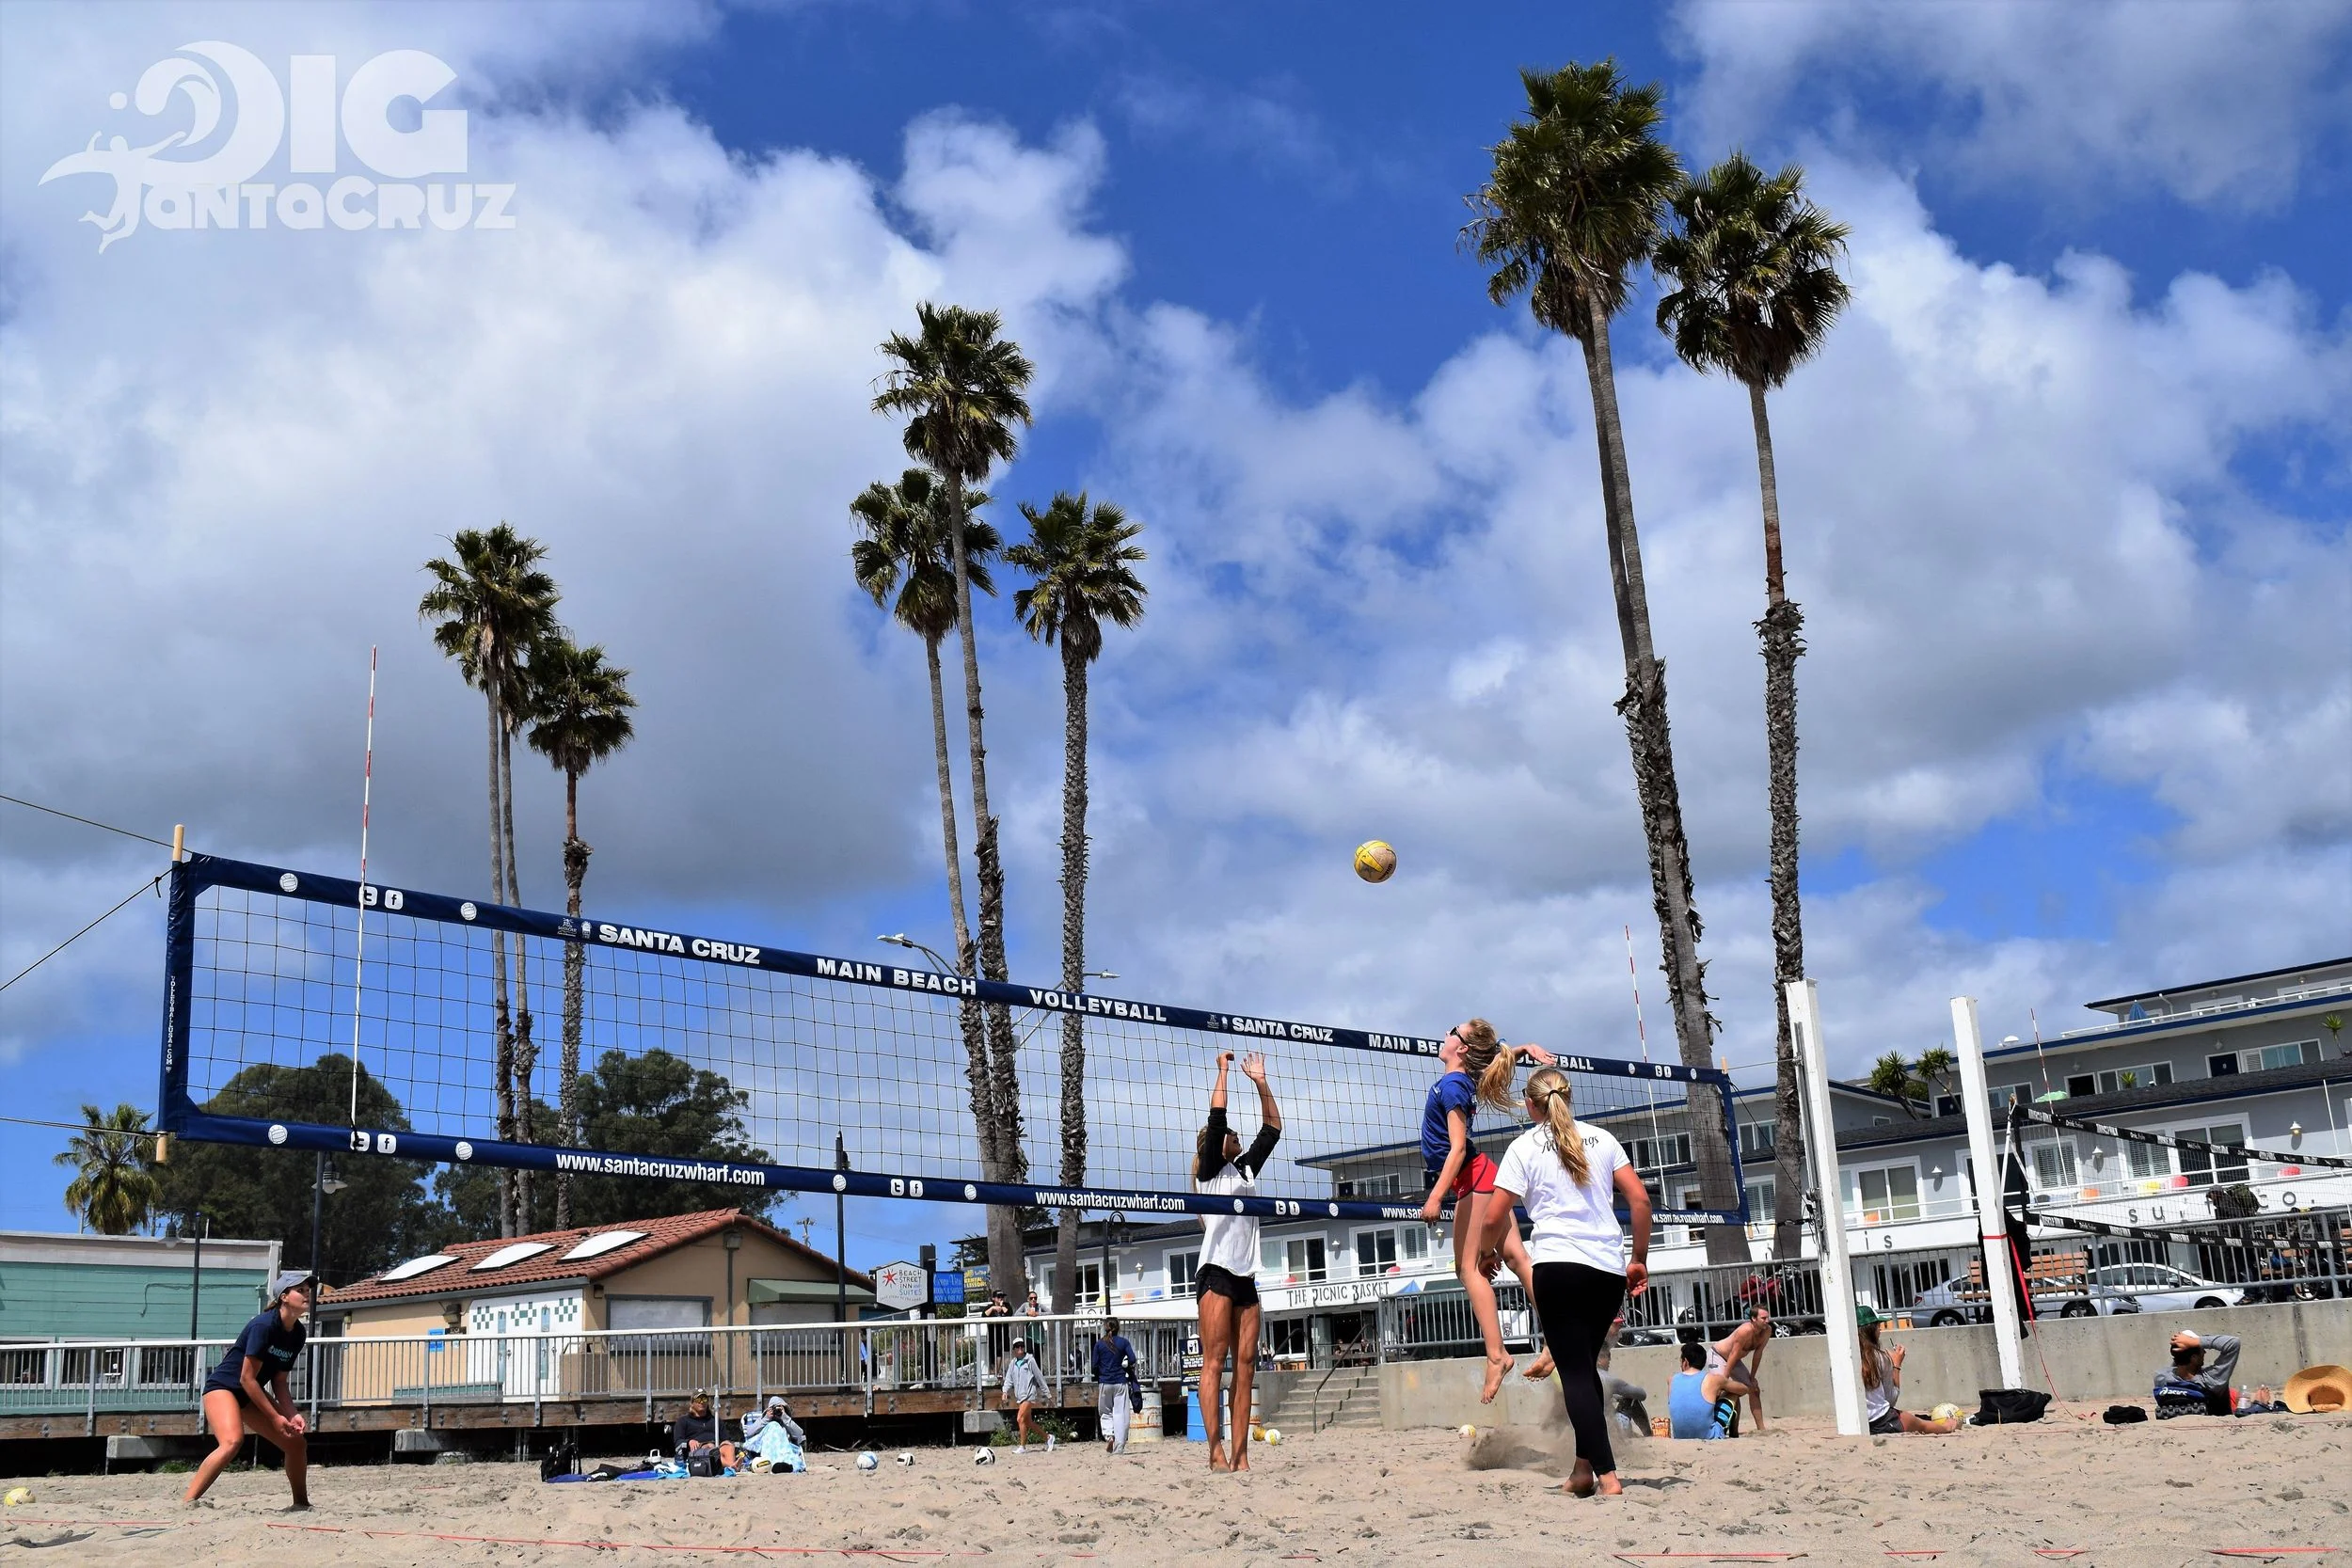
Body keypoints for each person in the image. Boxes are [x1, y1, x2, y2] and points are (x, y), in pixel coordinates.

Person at [1477, 1066, 1651, 1498]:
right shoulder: (1604, 1139)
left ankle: (1608, 1478)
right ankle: (1581, 1472)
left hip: (1558, 1270)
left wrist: (1488, 1253)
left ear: (1532, 1105)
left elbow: (1495, 1217)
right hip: (1608, 1272)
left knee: (1574, 1376)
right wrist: (1638, 1260)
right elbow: (1641, 1199)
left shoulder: (1523, 1147)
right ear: (1568, 1097)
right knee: (1583, 1372)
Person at [1420, 1020, 1557, 1402]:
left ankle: (1497, 1355)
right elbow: (1492, 1061)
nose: (1445, 1034)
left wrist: (1435, 1197)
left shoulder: (1452, 1085)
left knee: (1467, 1270)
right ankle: (1557, 1335)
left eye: (1452, 1030)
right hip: (1484, 1177)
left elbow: (1458, 1148)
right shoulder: (1461, 1080)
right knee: (1517, 1257)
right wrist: (1524, 1046)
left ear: (1460, 1048)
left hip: (1473, 1178)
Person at [1195, 1050, 1281, 1473]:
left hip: (1246, 1275)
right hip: (1215, 1273)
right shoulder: (1210, 1172)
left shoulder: (1244, 1172)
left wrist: (1261, 1082)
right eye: (1232, 1135)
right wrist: (1225, 1073)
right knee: (1213, 1364)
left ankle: (1241, 1454)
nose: (1238, 1136)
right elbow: (1216, 1118)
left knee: (1245, 1368)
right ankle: (1214, 1451)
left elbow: (1273, 1129)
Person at [185, 1271, 313, 1509]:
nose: (307, 1295)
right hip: (223, 1387)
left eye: (308, 1291)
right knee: (232, 1441)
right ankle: (187, 1502)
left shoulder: (298, 1333)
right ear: (284, 1297)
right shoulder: (264, 1326)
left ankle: (301, 1504)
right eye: (301, 1290)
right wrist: (275, 1417)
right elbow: (246, 1378)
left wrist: (291, 1413)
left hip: (249, 1391)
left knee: (296, 1443)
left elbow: (280, 1382)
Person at [1856, 1307, 1957, 1433]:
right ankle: (1948, 1427)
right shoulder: (1879, 1358)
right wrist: (1896, 1365)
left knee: (1918, 1421)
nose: (1880, 1330)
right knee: (1921, 1425)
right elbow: (1890, 1400)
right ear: (1871, 1329)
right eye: (1878, 1326)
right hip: (1882, 1421)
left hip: (1857, 1422)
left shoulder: (1841, 1361)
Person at [1703, 1306, 1772, 1434]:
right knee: (1722, 1389)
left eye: (1768, 1317)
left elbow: (1758, 1354)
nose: (1767, 1320)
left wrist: (1752, 1377)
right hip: (1718, 1356)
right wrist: (1725, 1379)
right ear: (1753, 1318)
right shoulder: (1744, 1331)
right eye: (1763, 1318)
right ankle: (1709, 1424)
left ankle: (1760, 1428)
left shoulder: (1767, 1331)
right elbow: (1734, 1354)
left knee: (1754, 1389)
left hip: (1733, 1360)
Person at [2153, 1328, 2243, 1418]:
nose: (2204, 1352)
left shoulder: (2162, 1377)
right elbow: (2233, 1343)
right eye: (2202, 1349)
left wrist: (2181, 1346)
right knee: (2237, 1395)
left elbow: (2179, 1363)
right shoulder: (2211, 1380)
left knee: (2233, 1393)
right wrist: (2196, 1341)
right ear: (2194, 1358)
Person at [1666, 1341, 1736, 1439]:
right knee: (1733, 1394)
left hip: (1679, 1437)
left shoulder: (1671, 1380)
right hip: (1709, 1437)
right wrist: (1721, 1391)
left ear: (1685, 1362)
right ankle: (1734, 1433)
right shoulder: (1713, 1379)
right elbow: (1743, 1389)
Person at [1093, 1317, 1141, 1453]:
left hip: (1104, 1381)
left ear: (1105, 1328)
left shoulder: (1099, 1344)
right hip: (1120, 1381)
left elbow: (1094, 1365)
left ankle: (1109, 1436)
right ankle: (1119, 1446)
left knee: (1105, 1412)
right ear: (1118, 1328)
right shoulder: (1123, 1342)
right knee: (1121, 1413)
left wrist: (1099, 1376)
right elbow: (1132, 1359)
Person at [1001, 1338, 1055, 1452]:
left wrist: (1048, 1394)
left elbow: (1039, 1377)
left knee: (1020, 1418)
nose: (1020, 1348)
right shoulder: (1012, 1363)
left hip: (1029, 1395)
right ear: (1014, 1349)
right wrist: (1005, 1391)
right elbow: (1009, 1379)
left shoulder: (1030, 1360)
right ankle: (1048, 1437)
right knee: (1027, 1422)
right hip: (1019, 1397)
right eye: (1017, 1346)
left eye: (1022, 1346)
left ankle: (1022, 1447)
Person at [674, 1391, 739, 1471]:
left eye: (704, 1399)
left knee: (729, 1447)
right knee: (710, 1449)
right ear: (692, 1403)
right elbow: (678, 1442)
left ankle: (732, 1467)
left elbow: (726, 1439)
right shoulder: (683, 1421)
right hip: (698, 1450)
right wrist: (689, 1442)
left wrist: (725, 1443)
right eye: (698, 1399)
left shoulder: (715, 1420)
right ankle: (732, 1466)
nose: (702, 1402)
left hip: (716, 1446)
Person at [742, 1395, 806, 1471]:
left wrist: (785, 1417)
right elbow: (749, 1432)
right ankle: (778, 1465)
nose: (777, 1412)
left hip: (785, 1450)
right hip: (768, 1448)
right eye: (775, 1409)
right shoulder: (763, 1421)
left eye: (779, 1409)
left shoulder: (787, 1423)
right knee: (773, 1425)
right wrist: (766, 1419)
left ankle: (781, 1465)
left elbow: (799, 1433)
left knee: (777, 1427)